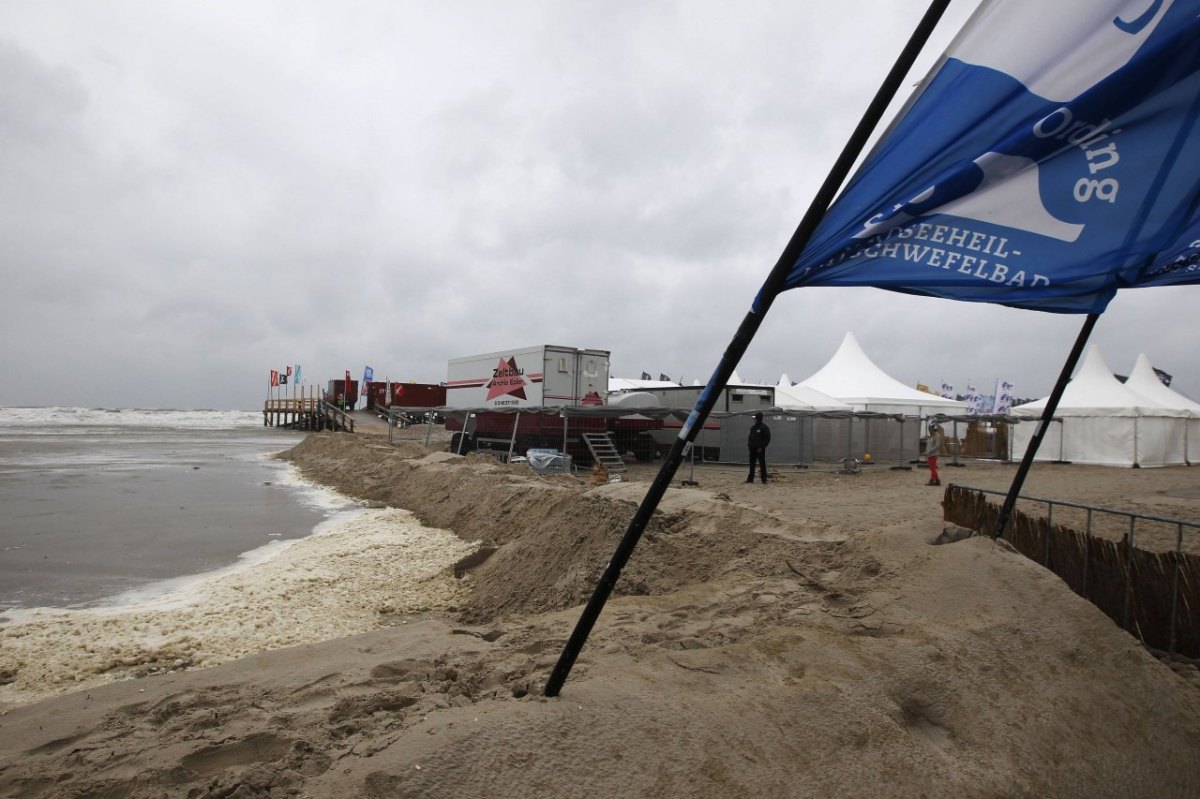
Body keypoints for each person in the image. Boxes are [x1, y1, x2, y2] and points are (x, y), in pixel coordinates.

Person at [746, 412, 771, 484]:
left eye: (755, 418)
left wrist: (762, 447)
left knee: (762, 464)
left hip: (760, 450)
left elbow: (767, 438)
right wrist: (749, 445)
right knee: (752, 464)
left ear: (759, 418)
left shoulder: (764, 427)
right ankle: (750, 479)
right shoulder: (753, 427)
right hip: (752, 449)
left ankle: (764, 479)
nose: (754, 419)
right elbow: (750, 437)